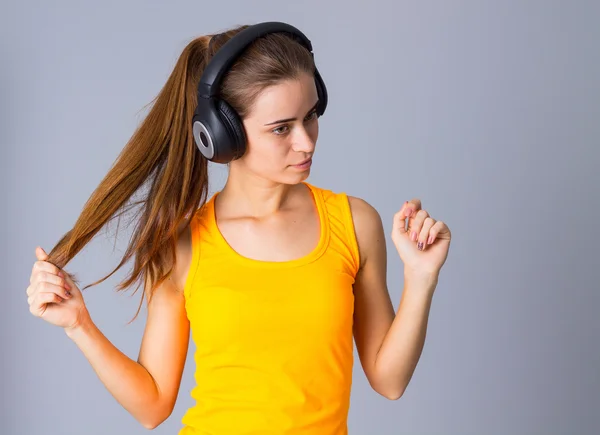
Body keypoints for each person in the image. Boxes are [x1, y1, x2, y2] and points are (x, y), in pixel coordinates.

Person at [26, 22, 451, 434]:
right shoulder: (184, 244)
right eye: (281, 128)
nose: (306, 142)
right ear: (222, 134)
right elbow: (153, 405)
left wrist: (421, 277)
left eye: (311, 116)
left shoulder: (354, 223)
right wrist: (78, 325)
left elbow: (389, 381)